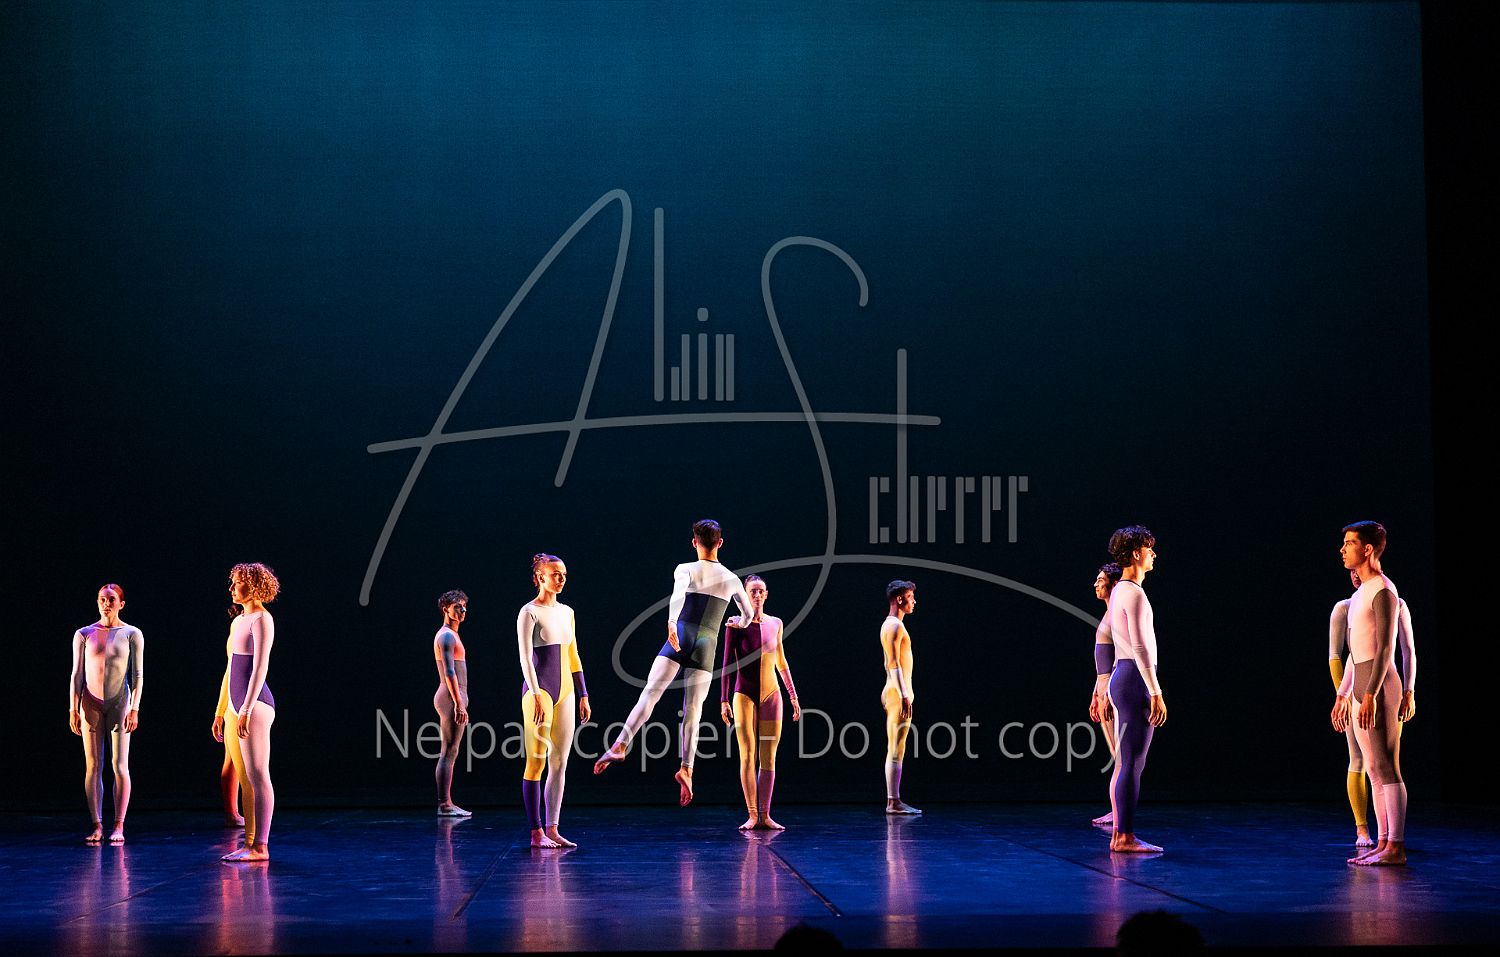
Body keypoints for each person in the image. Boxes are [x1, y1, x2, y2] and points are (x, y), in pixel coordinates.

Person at [594, 520, 753, 807]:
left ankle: (620, 744)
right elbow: (749, 614)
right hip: (707, 642)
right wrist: (738, 622)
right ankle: (687, 769)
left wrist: (671, 623)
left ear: (694, 542)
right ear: (720, 543)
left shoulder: (685, 568)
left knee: (650, 694)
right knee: (693, 710)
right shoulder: (731, 578)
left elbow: (679, 594)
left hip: (681, 633)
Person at [1330, 521, 1407, 865]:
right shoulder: (1359, 594)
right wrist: (1343, 694)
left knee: (1387, 766)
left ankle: (1396, 847)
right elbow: (1354, 653)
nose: (1343, 549)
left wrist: (1372, 694)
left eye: (1349, 543)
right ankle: (1383, 841)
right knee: (1373, 769)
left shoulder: (1383, 590)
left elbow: (1386, 648)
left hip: (1380, 685)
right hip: (1361, 684)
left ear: (1368, 549)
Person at [519, 554, 591, 848]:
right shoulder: (529, 612)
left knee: (560, 761)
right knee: (536, 761)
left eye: (564, 574)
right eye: (555, 574)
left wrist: (583, 693)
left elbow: (573, 654)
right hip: (540, 691)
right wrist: (536, 694)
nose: (561, 579)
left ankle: (553, 828)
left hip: (566, 692)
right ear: (540, 577)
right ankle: (536, 831)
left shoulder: (567, 612)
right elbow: (525, 657)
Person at [719, 574, 801, 829]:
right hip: (744, 695)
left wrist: (793, 695)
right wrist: (723, 699)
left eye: (760, 591)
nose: (756, 595)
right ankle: (752, 815)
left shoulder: (776, 623)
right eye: (752, 591)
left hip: (771, 695)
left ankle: (765, 815)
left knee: (769, 757)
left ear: (766, 595)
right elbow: (726, 664)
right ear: (744, 595)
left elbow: (781, 662)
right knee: (747, 754)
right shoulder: (735, 624)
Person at [1105, 525, 1166, 853]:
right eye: (1148, 548)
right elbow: (1140, 647)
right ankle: (1124, 837)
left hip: (1124, 675)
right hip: (1134, 679)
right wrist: (1155, 691)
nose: (1153, 554)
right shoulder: (1133, 593)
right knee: (1132, 762)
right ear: (1135, 554)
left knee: (1126, 762)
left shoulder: (1120, 592)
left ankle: (1120, 833)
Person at [69, 583, 144, 845]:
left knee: (119, 765)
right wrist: (73, 708)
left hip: (119, 702)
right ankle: (97, 824)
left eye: (111, 599)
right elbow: (77, 674)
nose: (106, 604)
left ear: (121, 604)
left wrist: (134, 708)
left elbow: (137, 675)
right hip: (89, 703)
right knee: (93, 765)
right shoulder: (84, 634)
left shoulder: (132, 633)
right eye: (102, 599)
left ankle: (119, 825)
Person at [213, 562, 278, 862]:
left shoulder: (262, 620)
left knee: (258, 775)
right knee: (245, 776)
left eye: (237, 582)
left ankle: (260, 846)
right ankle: (249, 843)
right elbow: (230, 668)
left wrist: (247, 709)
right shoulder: (239, 620)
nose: (231, 588)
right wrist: (221, 710)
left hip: (255, 706)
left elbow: (260, 668)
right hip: (234, 706)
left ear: (253, 586)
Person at [880, 580, 920, 815]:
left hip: (895, 690)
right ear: (899, 599)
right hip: (897, 692)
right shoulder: (894, 626)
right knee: (896, 748)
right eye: (910, 597)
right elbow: (893, 663)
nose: (914, 601)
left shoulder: (893, 625)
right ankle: (893, 801)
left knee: (897, 747)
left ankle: (894, 800)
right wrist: (904, 694)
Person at [1088, 562, 1123, 827]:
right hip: (1104, 689)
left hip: (1111, 689)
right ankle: (1116, 809)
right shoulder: (1108, 614)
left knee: (1121, 757)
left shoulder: (1117, 615)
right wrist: (1095, 693)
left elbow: (1120, 659)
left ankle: (1120, 813)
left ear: (1114, 584)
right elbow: (1103, 663)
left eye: (1101, 580)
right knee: (1115, 755)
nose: (1096, 584)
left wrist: (1108, 693)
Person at [433, 589, 472, 817]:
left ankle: (446, 803)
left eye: (464, 606)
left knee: (451, 750)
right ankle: (444, 804)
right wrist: (458, 702)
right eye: (457, 607)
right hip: (450, 697)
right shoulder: (446, 636)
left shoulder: (452, 635)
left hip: (455, 696)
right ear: (446, 609)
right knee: (449, 750)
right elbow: (449, 672)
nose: (463, 610)